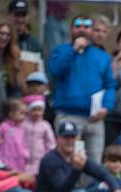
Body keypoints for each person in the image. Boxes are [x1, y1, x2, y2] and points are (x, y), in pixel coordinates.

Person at [48, 14, 116, 166]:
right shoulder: (60, 51)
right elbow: (55, 71)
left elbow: (110, 85)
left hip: (95, 118)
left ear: (92, 30)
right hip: (68, 115)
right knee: (67, 162)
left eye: (86, 27)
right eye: (78, 26)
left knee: (94, 163)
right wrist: (73, 50)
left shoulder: (103, 57)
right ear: (71, 29)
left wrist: (106, 107)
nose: (82, 30)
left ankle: (91, 190)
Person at [22, 95, 55, 177]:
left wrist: (49, 156)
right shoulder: (23, 124)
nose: (37, 113)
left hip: (40, 158)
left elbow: (50, 142)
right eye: (34, 110)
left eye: (39, 110)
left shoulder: (45, 125)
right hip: (24, 158)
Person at [0, 98, 30, 176]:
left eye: (25, 114)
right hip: (6, 159)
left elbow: (24, 143)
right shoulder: (4, 126)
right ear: (11, 114)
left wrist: (26, 154)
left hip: (19, 159)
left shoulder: (22, 128)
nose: (24, 117)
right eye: (21, 113)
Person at [0, 22, 22, 98]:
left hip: (9, 99)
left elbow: (16, 86)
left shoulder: (13, 57)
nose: (4, 37)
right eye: (1, 33)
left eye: (8, 35)